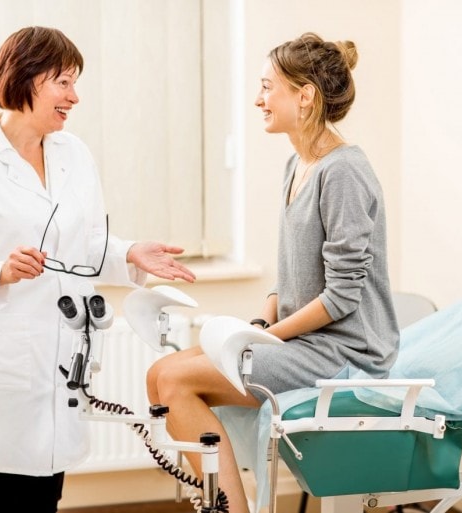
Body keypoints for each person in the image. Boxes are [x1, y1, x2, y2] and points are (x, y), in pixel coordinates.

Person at [0, 26, 195, 513]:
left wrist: (128, 253)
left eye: (74, 82)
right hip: (2, 368)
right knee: (1, 501)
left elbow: (80, 245)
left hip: (63, 359)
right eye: (63, 82)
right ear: (27, 78)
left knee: (45, 497)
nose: (74, 96)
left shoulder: (74, 155)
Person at [146, 32, 399, 513]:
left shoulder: (343, 172)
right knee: (159, 374)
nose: (258, 99)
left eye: (267, 87)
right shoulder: (296, 164)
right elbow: (291, 279)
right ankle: (221, 503)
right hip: (303, 343)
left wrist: (266, 340)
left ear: (304, 96)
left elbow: (342, 297)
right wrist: (257, 325)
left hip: (345, 355)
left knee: (176, 383)